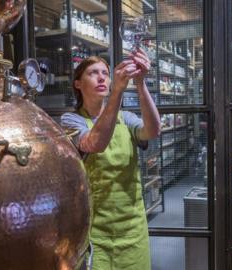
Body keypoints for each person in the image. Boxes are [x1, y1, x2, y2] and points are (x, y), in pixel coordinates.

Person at [60, 49, 161, 270]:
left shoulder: (126, 118)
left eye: (105, 73)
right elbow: (94, 143)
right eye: (92, 73)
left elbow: (153, 130)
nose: (101, 77)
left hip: (132, 226)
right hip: (94, 231)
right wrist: (117, 91)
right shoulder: (71, 120)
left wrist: (140, 84)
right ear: (78, 83)